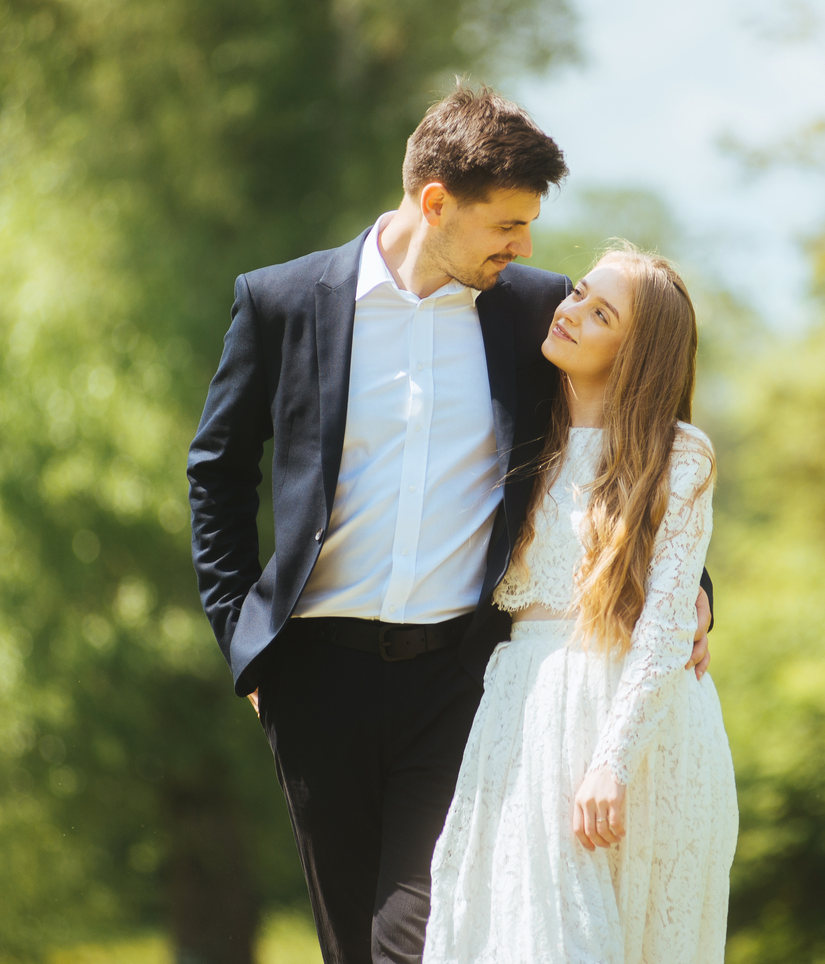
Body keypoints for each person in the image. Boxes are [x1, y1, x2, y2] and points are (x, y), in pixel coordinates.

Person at [186, 86, 714, 964]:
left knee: (426, 941)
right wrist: (241, 637)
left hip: (459, 681)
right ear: (436, 203)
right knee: (353, 945)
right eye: (506, 224)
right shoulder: (283, 303)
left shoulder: (532, 313)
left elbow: (631, 443)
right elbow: (217, 468)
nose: (525, 247)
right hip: (313, 677)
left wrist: (691, 583)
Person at [424, 246, 739, 964]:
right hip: (526, 716)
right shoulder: (522, 440)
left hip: (640, 733)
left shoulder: (679, 456)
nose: (570, 312)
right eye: (581, 295)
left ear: (637, 355)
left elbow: (664, 622)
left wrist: (612, 763)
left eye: (601, 315)